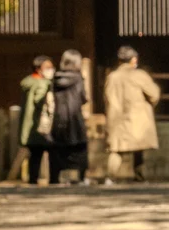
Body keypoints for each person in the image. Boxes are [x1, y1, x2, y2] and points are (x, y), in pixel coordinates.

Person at [104, 45, 161, 183]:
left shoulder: (112, 77)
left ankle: (110, 178)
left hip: (117, 117)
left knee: (116, 149)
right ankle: (139, 177)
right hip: (137, 118)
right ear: (134, 60)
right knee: (138, 148)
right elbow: (154, 94)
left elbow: (106, 97)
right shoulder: (139, 75)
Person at [49, 49, 90, 184]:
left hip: (59, 118)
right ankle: (81, 176)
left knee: (58, 149)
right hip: (74, 117)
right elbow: (83, 98)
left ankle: (54, 177)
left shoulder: (55, 78)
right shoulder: (78, 78)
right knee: (80, 148)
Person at [18, 55, 54, 184]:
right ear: (38, 69)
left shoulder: (27, 83)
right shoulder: (42, 85)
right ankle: (52, 180)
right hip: (42, 125)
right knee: (50, 153)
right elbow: (40, 102)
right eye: (47, 67)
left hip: (30, 127)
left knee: (35, 156)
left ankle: (33, 180)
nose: (51, 70)